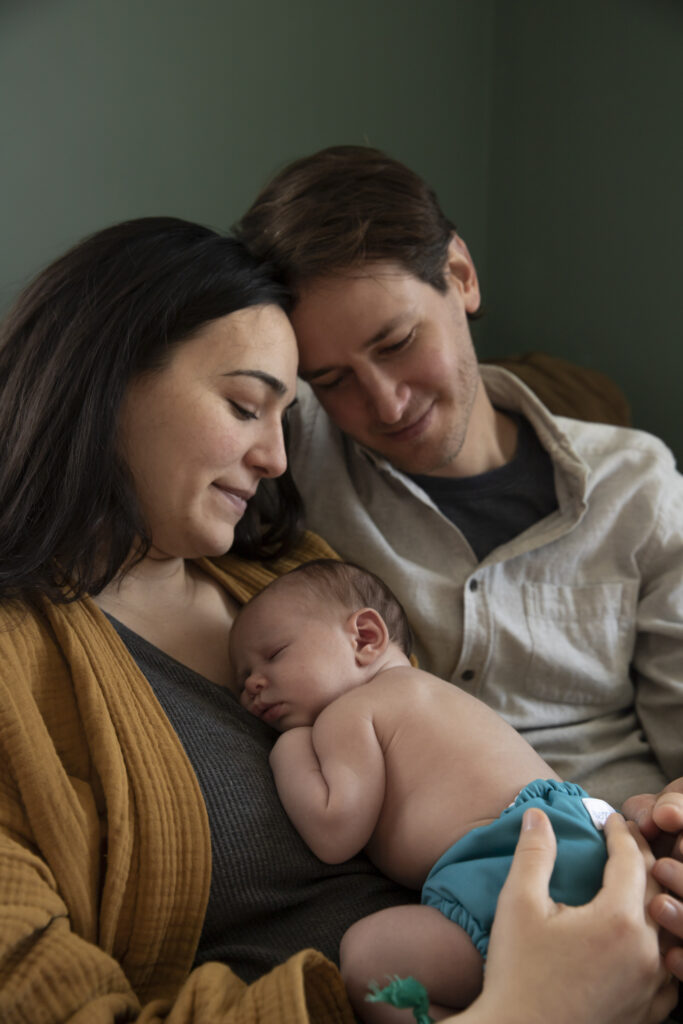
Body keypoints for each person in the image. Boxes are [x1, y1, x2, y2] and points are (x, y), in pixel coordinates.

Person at [0, 215, 675, 1024]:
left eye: (286, 418)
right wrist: (531, 1009)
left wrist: (629, 858)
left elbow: (455, 770)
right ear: (102, 381)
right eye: (245, 405)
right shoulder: (22, 673)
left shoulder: (288, 569)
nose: (277, 459)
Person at [234, 144, 683, 977]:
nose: (384, 402)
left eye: (398, 342)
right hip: (450, 900)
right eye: (331, 378)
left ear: (462, 278)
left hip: (620, 847)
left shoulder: (636, 484)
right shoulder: (291, 455)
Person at [231, 558, 620, 1020]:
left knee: (372, 961)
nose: (253, 685)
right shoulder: (429, 692)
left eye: (274, 655)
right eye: (240, 681)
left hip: (512, 865)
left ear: (365, 638)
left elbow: (334, 831)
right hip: (586, 837)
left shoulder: (351, 712)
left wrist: (288, 749)